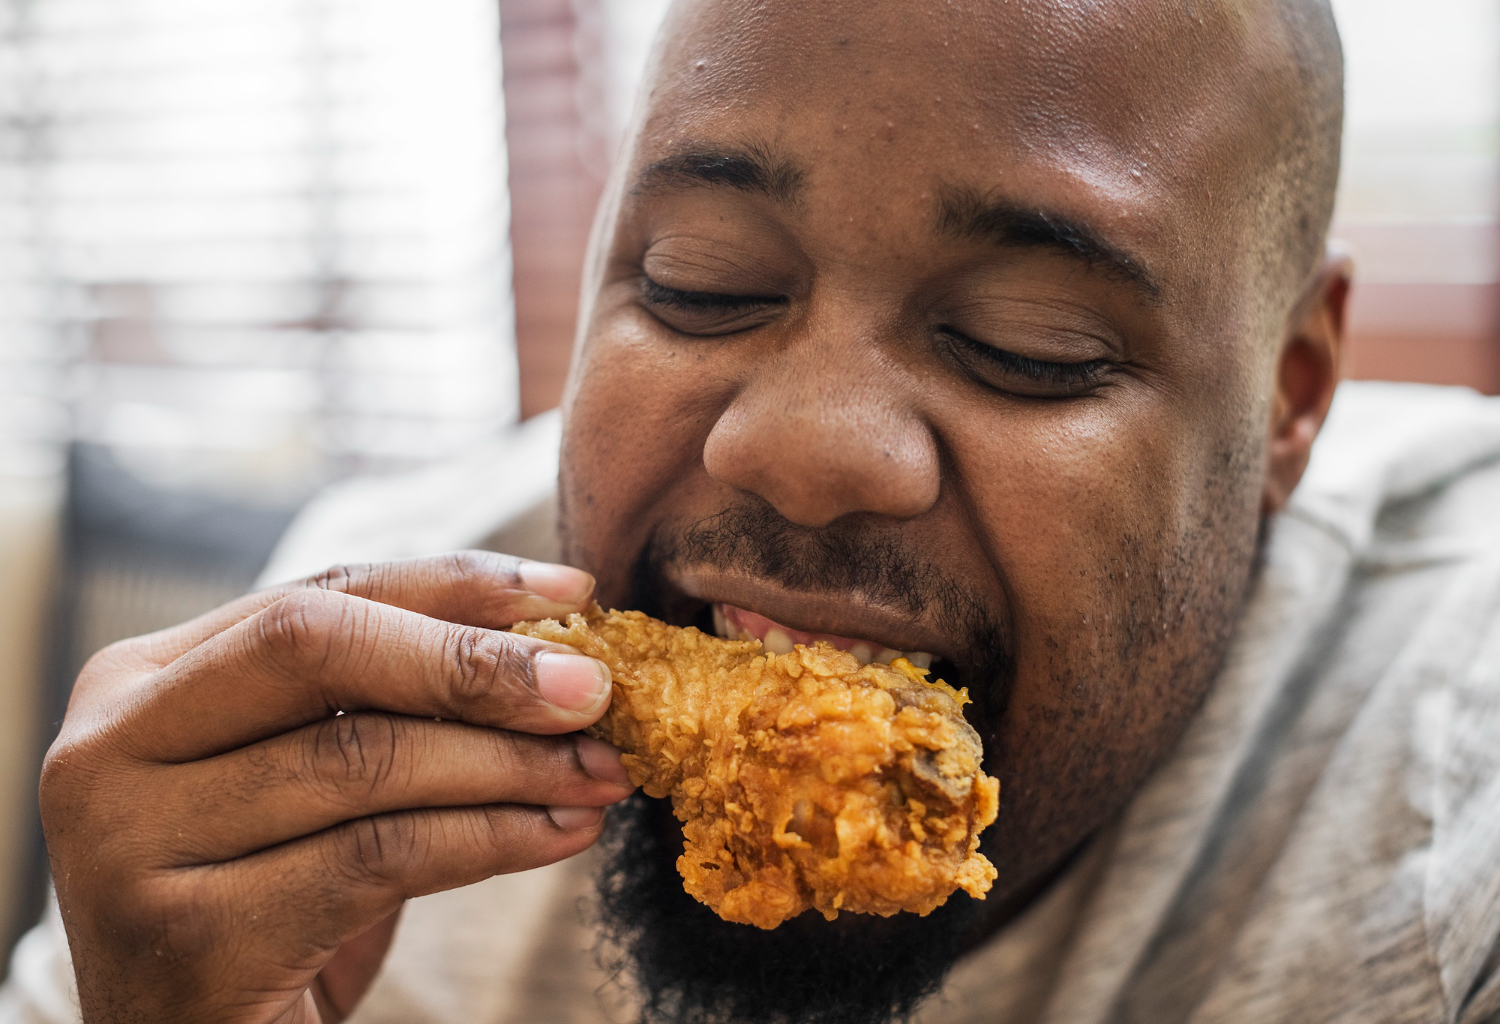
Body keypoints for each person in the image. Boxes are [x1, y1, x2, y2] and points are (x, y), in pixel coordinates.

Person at [6, 0, 1500, 1021]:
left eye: (1028, 344)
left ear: (1290, 394)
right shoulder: (348, 687)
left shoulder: (1460, 765)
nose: (803, 451)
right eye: (699, 284)